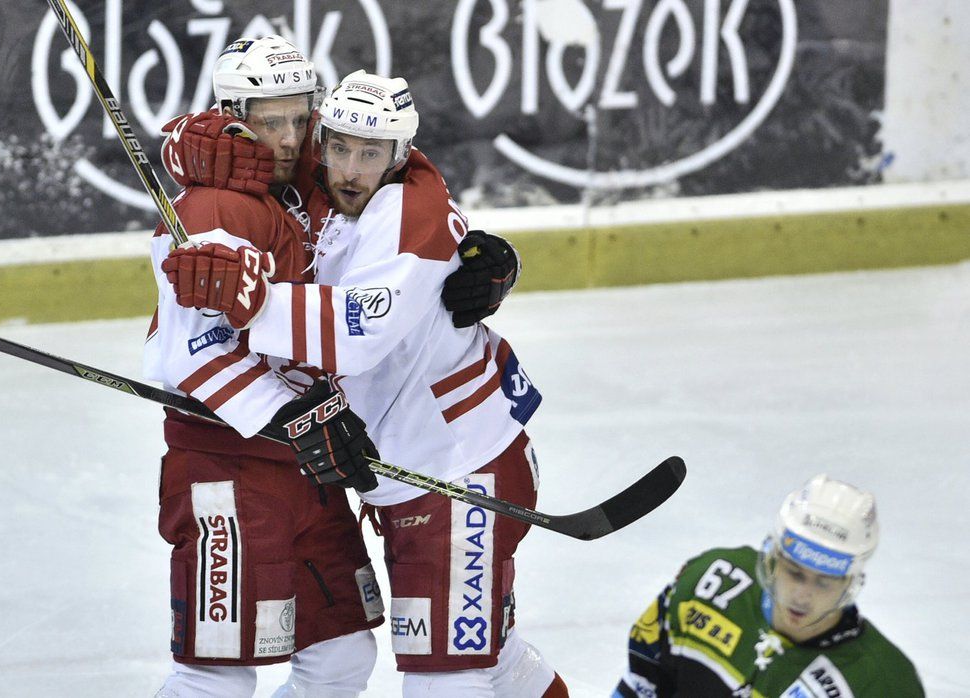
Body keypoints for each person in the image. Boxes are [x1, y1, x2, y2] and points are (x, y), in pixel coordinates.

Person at [160, 70, 568, 697]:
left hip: (459, 470)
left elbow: (357, 334)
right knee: (493, 658)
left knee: (448, 676)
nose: (349, 167)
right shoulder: (328, 179)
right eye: (339, 146)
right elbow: (244, 152)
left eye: (371, 153)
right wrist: (193, 140)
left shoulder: (410, 210)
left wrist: (252, 300)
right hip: (411, 473)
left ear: (402, 155)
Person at [144, 36, 385, 698]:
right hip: (229, 469)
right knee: (215, 678)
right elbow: (193, 350)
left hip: (304, 469)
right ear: (234, 115)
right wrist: (292, 415)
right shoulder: (212, 207)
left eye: (298, 117)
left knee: (342, 658)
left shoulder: (303, 186)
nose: (287, 137)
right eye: (268, 120)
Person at [613, 474, 925, 698]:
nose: (803, 596)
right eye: (795, 573)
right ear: (774, 559)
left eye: (824, 583)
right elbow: (641, 683)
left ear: (850, 582)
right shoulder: (709, 585)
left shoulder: (882, 682)